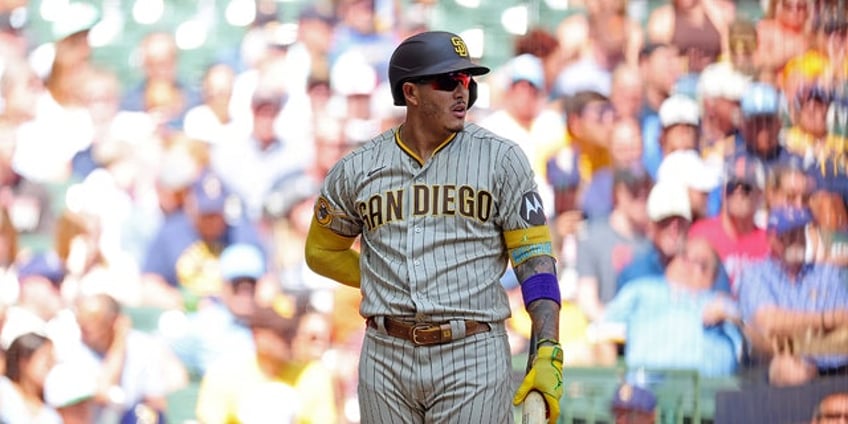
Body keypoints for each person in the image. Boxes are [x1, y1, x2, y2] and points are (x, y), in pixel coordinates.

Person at [304, 31, 563, 423]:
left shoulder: (501, 160)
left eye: (466, 81)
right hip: (386, 355)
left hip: (471, 352)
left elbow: (535, 260)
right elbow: (320, 251)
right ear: (411, 92)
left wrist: (546, 350)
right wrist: (384, 282)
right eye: (447, 81)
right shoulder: (358, 168)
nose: (462, 91)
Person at [737, 207, 848, 387]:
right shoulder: (756, 274)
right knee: (792, 370)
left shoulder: (826, 272)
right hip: (782, 362)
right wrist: (827, 319)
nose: (796, 239)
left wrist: (794, 331)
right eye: (787, 234)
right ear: (771, 238)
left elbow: (844, 326)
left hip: (836, 362)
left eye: (800, 232)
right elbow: (769, 323)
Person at [602, 237, 743, 377]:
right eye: (684, 256)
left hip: (708, 391)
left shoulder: (722, 304)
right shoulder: (642, 290)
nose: (688, 265)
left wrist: (729, 315)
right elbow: (603, 330)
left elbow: (752, 343)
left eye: (701, 263)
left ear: (714, 276)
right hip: (647, 389)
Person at [195, 302, 338, 424]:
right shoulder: (224, 373)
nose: (291, 338)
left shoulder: (313, 374)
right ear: (258, 336)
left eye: (294, 331)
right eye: (283, 332)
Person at [688, 154, 769, 289]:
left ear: (759, 195)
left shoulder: (769, 242)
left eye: (746, 187)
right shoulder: (701, 234)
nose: (738, 193)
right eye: (732, 186)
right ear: (723, 191)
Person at [0, 332, 61, 424]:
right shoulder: (4, 390)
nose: (51, 369)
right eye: (47, 362)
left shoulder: (50, 414)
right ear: (24, 361)